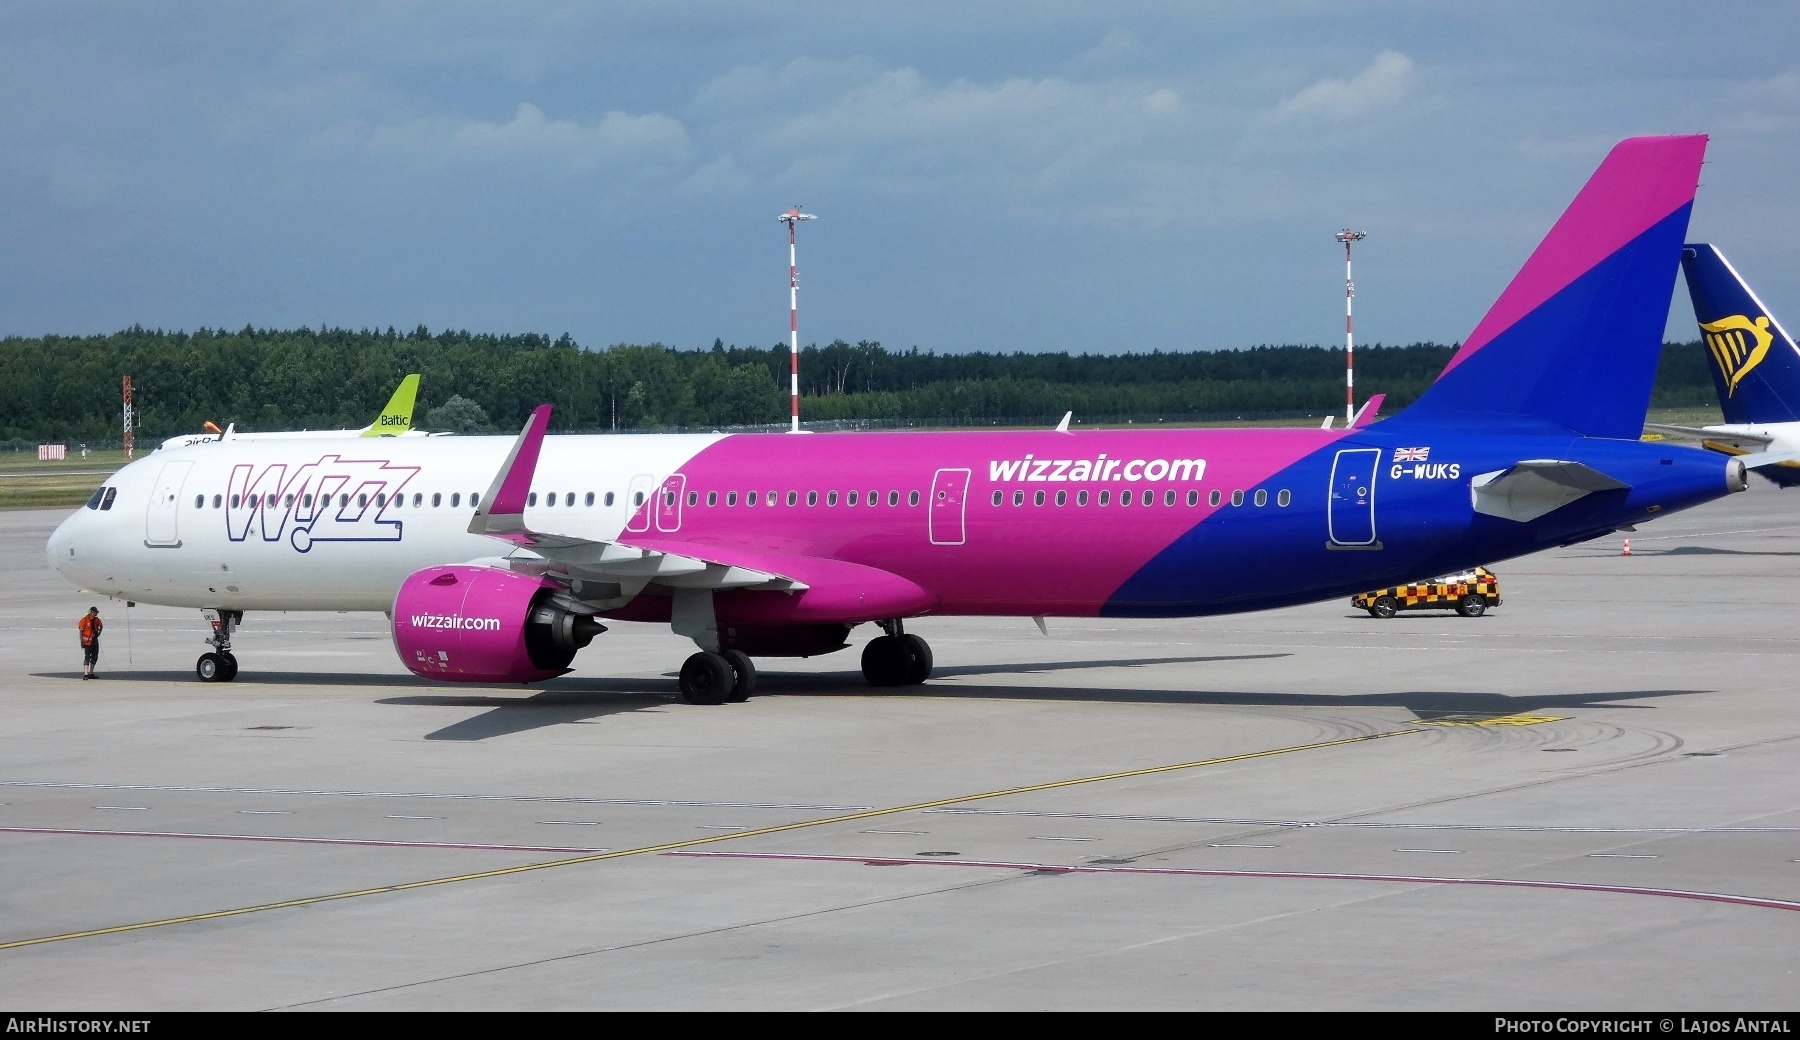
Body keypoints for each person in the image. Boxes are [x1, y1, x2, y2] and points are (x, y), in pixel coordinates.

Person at [78, 606, 103, 679]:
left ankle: (91, 672)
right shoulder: (84, 620)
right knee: (87, 657)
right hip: (87, 642)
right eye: (95, 612)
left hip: (94, 640)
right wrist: (82, 641)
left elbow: (101, 626)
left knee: (95, 656)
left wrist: (99, 633)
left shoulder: (97, 620)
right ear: (91, 612)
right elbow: (81, 631)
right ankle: (85, 673)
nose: (96, 613)